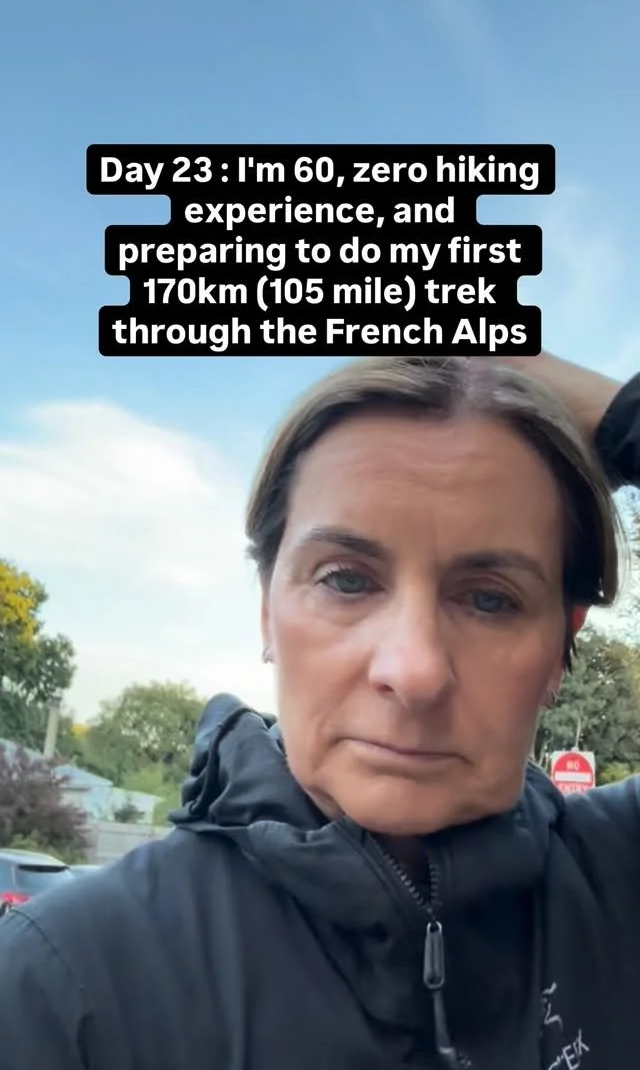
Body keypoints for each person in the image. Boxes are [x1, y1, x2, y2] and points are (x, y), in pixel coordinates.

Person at [1, 350, 639, 1070]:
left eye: (490, 599)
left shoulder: (621, 880)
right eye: (346, 581)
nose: (414, 670)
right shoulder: (63, 985)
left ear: (561, 647)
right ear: (266, 610)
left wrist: (620, 417)